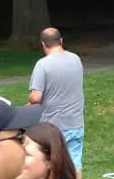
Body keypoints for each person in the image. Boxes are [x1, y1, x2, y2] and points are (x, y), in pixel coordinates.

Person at [27, 27, 86, 170]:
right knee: (74, 162)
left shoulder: (43, 64)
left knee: (52, 164)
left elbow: (36, 97)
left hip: (53, 124)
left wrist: (29, 102)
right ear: (61, 40)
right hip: (75, 121)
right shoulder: (75, 58)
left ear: (43, 44)